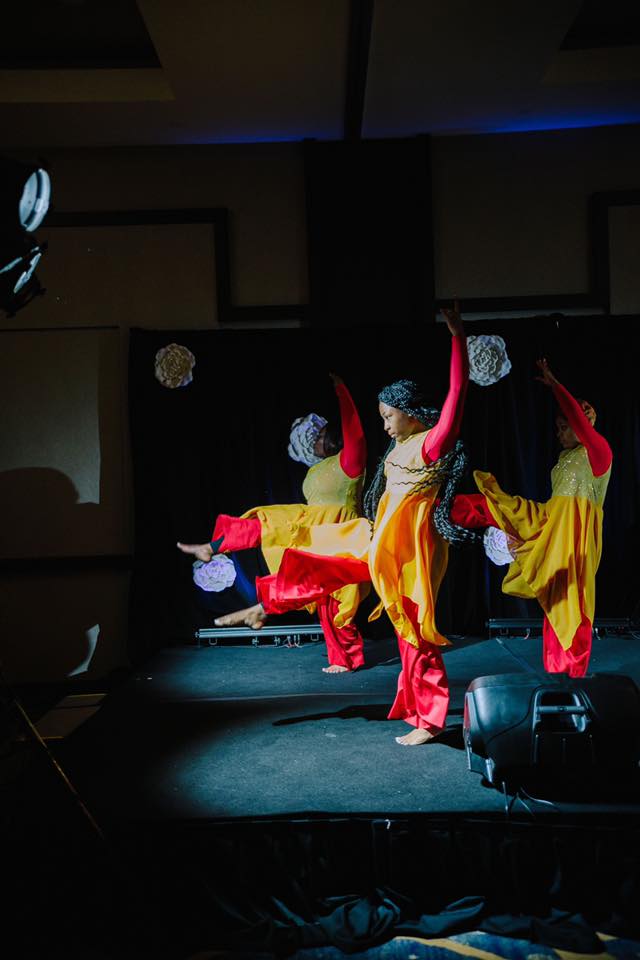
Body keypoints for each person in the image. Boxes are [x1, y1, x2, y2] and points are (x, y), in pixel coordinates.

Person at [216, 304, 478, 745]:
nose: (385, 426)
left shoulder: (431, 445)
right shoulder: (398, 449)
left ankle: (429, 720)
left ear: (411, 413)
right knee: (319, 562)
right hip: (377, 538)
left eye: (389, 417)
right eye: (382, 418)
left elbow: (457, 392)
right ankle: (266, 606)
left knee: (414, 631)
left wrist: (457, 337)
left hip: (410, 551)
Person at [177, 374, 368, 673]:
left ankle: (344, 658)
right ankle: (212, 547)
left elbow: (355, 434)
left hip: (340, 531)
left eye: (320, 435)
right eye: (314, 439)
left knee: (334, 598)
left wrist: (342, 391)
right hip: (313, 528)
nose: (317, 440)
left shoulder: (350, 463)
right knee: (267, 523)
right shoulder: (316, 470)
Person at [452, 358, 612, 677]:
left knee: (567, 601)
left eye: (564, 427)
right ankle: (441, 510)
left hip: (575, 538)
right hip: (551, 522)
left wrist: (556, 387)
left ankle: (569, 675)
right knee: (501, 506)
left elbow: (580, 424)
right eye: (558, 428)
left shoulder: (599, 454)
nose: (559, 434)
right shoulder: (565, 458)